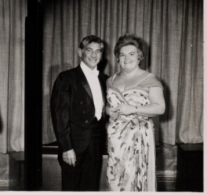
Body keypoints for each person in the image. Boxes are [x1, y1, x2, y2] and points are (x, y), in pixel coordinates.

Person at [106, 34, 166, 191]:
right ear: (117, 58)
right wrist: (108, 111)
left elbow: (160, 107)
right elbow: (108, 105)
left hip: (138, 138)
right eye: (122, 55)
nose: (127, 58)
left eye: (132, 54)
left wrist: (133, 109)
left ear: (139, 57)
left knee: (135, 179)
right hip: (115, 138)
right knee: (115, 180)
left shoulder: (150, 79)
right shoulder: (111, 80)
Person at [50, 35, 108, 191]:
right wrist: (67, 148)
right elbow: (59, 116)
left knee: (91, 187)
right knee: (71, 187)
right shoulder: (66, 78)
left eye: (98, 51)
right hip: (73, 144)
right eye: (89, 50)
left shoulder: (105, 79)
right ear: (80, 51)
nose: (94, 55)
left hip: (95, 144)